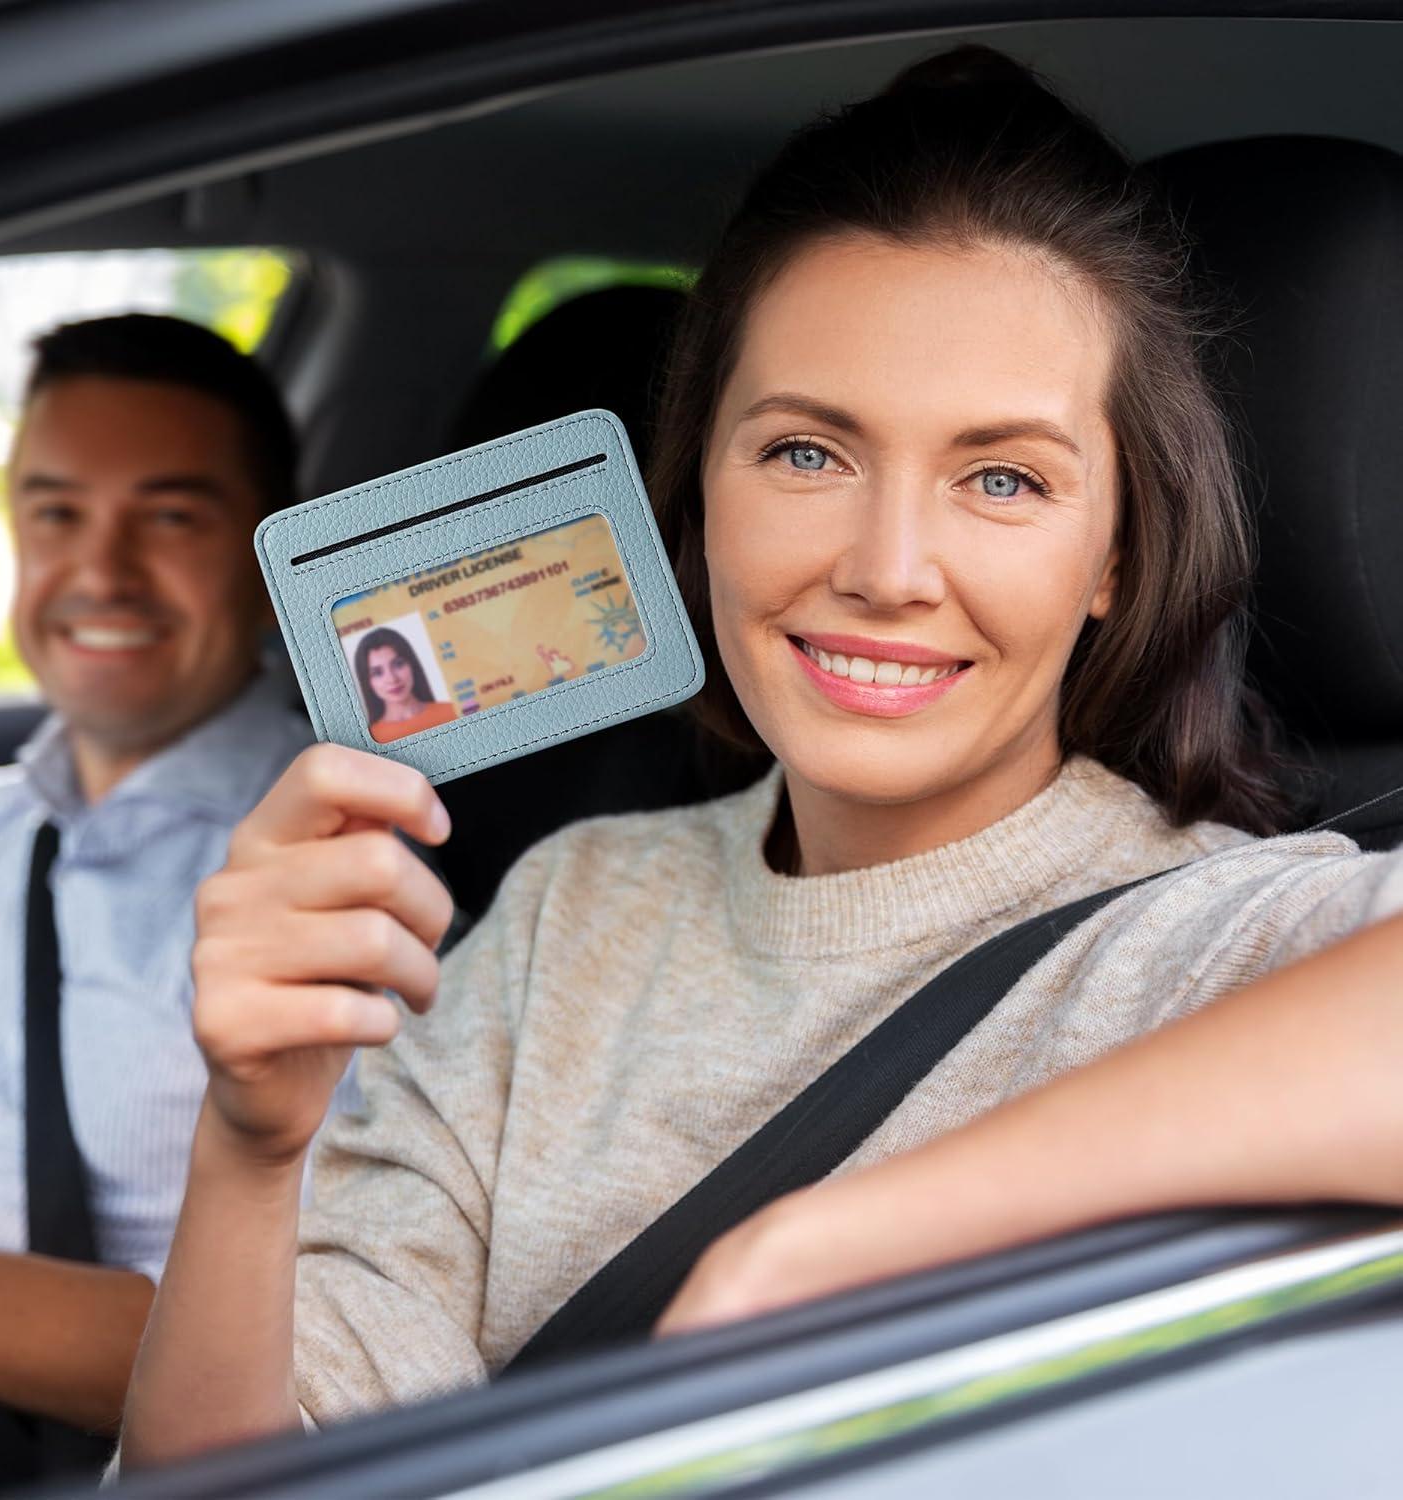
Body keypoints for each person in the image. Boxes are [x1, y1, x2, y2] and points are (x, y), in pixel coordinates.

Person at [120, 48, 1403, 1467]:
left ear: (1115, 555)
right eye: (807, 455)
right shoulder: (568, 912)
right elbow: (249, 1473)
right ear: (700, 494)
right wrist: (248, 1152)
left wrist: (820, 1251)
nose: (887, 569)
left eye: (1003, 480)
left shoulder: (1227, 940)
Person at [0, 313, 313, 1490]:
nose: (99, 573)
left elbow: (316, 1355)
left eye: (171, 517)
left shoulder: (331, 871)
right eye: (57, 514)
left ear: (267, 551)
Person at [353, 626, 458, 741]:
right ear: (368, 682)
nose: (392, 679)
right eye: (377, 673)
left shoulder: (452, 711)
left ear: (412, 665)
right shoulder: (370, 739)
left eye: (398, 664)